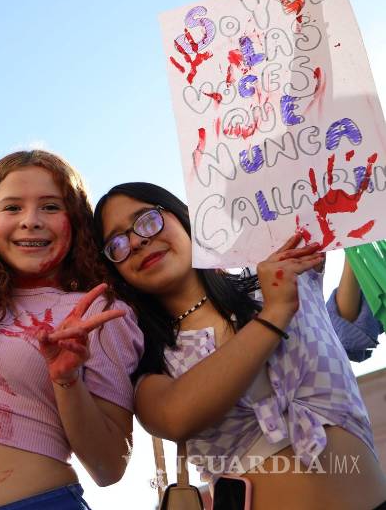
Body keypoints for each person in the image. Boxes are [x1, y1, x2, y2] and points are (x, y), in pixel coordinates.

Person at [0, 37, 142, 507]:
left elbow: (109, 467)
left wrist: (66, 378)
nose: (30, 220)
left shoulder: (97, 311)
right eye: (12, 207)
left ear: (74, 222)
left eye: (50, 207)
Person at [93, 181, 386, 510]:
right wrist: (275, 314)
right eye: (116, 243)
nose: (136, 241)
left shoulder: (278, 271)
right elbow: (176, 416)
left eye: (147, 219)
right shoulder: (155, 364)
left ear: (184, 217)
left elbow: (306, 173)